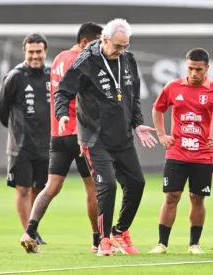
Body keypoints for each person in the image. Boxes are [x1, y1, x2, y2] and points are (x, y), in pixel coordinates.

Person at [54, 18, 158, 257]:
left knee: (137, 183)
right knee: (107, 184)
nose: (121, 51)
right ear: (104, 39)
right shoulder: (85, 62)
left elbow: (133, 96)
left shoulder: (128, 60)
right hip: (94, 138)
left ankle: (120, 232)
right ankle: (103, 240)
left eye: (125, 47)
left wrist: (138, 124)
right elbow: (63, 91)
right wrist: (61, 114)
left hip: (122, 137)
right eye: (117, 47)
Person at [20, 22, 103, 254]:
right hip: (80, 133)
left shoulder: (58, 58)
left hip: (58, 134)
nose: (102, 47)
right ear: (85, 42)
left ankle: (29, 231)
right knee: (94, 189)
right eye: (99, 41)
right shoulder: (84, 60)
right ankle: (98, 242)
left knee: (51, 187)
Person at [148, 48, 213, 255]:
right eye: (190, 68)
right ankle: (162, 244)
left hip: (202, 155)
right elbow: (157, 109)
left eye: (199, 69)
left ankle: (194, 244)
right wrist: (161, 135)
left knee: (197, 198)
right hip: (177, 153)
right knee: (171, 197)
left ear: (207, 69)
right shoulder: (173, 87)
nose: (194, 73)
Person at [0, 33, 51, 245]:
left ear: (45, 52)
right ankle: (30, 233)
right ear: (24, 53)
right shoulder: (14, 77)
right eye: (31, 52)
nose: (35, 56)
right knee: (23, 188)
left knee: (40, 188)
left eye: (39, 52)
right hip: (21, 145)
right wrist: (16, 131)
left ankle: (33, 227)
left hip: (47, 144)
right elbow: (1, 110)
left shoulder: (52, 75)